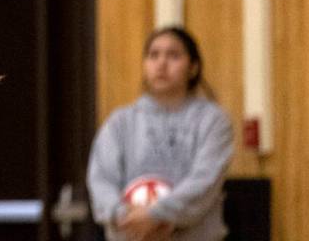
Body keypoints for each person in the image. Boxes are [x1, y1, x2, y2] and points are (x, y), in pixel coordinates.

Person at [87, 26, 234, 241]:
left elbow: (205, 180)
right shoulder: (120, 122)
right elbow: (101, 180)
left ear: (193, 67)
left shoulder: (213, 121)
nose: (161, 63)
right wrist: (126, 217)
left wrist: (158, 215)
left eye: (173, 55)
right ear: (145, 65)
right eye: (153, 55)